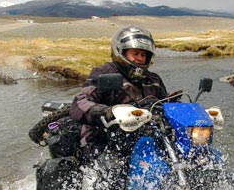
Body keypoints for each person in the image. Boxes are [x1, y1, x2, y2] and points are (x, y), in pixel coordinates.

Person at [69, 26, 169, 158]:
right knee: (112, 166)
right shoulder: (104, 73)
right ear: (121, 52)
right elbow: (81, 102)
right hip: (105, 137)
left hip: (145, 135)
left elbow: (165, 103)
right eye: (135, 53)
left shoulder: (153, 79)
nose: (139, 58)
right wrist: (106, 112)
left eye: (143, 55)